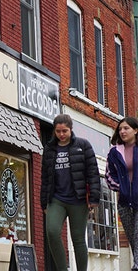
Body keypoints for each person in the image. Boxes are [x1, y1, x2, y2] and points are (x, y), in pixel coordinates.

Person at [41, 114, 100, 271]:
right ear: (54, 130)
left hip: (78, 199)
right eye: (58, 131)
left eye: (64, 131)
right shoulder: (49, 149)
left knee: (78, 239)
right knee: (52, 232)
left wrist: (94, 198)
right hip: (56, 199)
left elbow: (93, 173)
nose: (61, 134)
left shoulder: (83, 145)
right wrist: (43, 202)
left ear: (71, 130)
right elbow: (45, 177)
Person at [106, 117, 138, 271]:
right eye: (120, 129)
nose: (122, 131)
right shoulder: (114, 152)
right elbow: (109, 175)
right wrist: (121, 187)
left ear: (136, 130)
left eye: (126, 128)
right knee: (133, 238)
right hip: (124, 201)